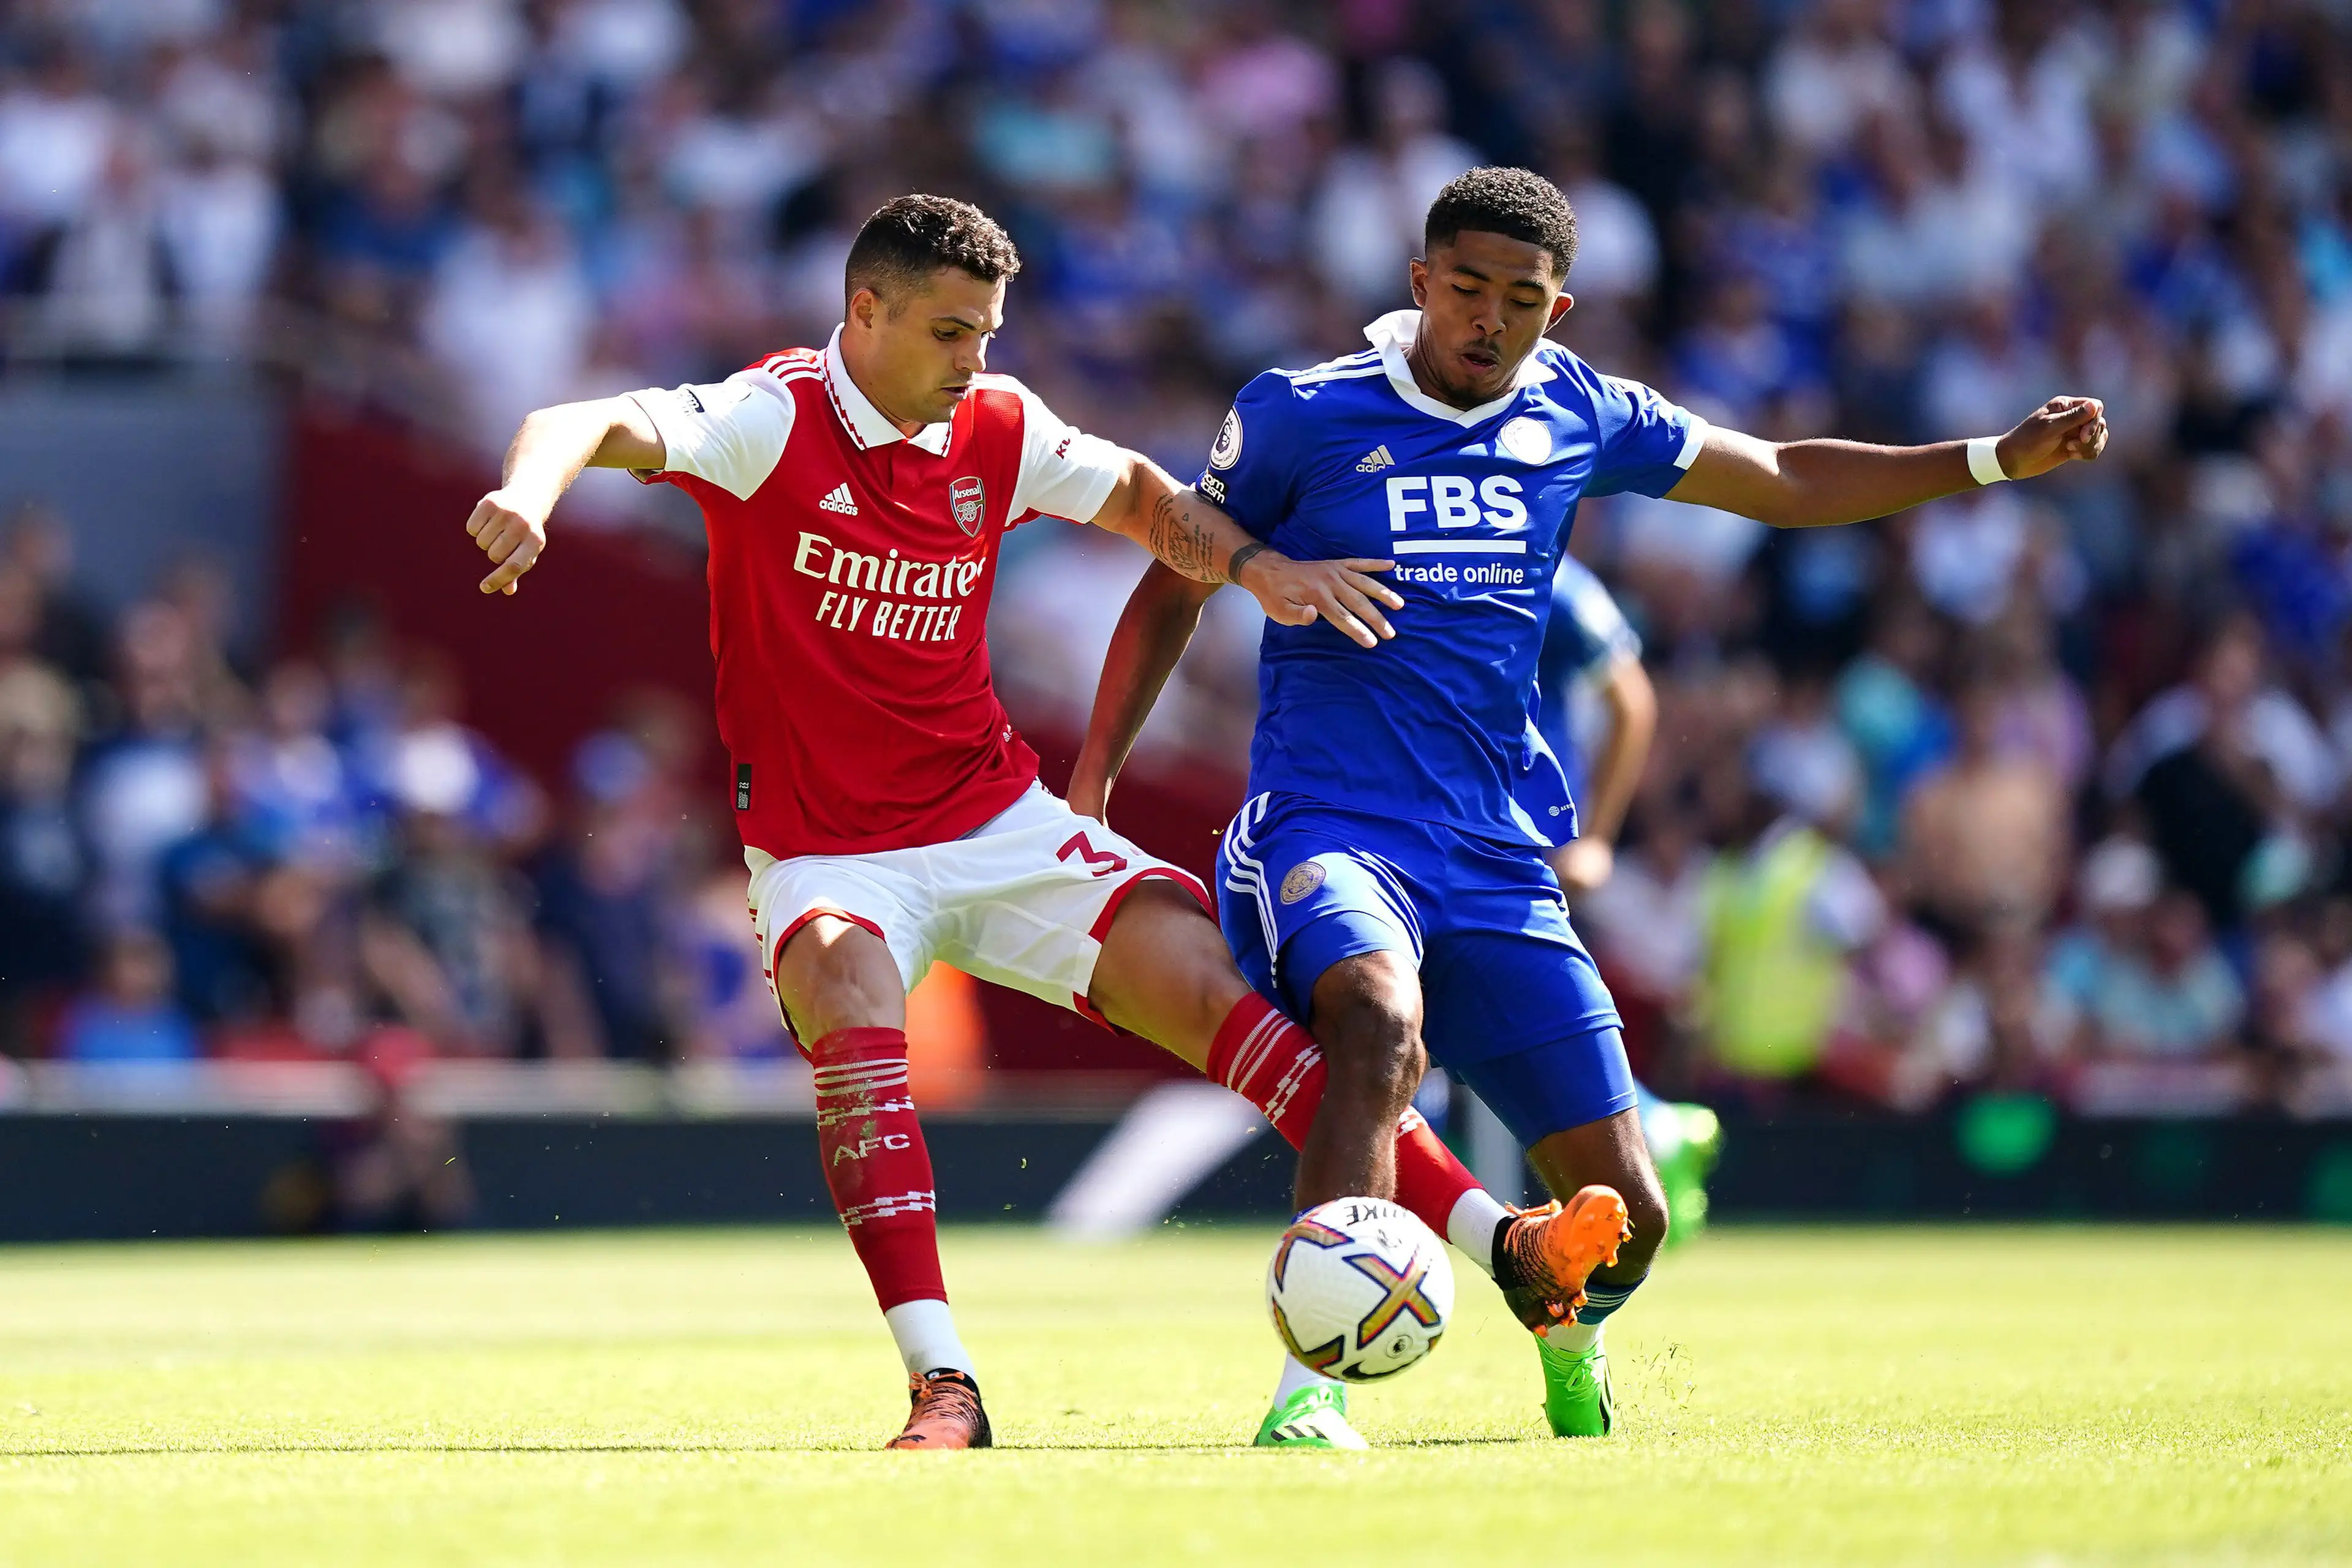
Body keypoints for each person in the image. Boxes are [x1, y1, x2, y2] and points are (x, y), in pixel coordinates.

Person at [459, 195, 1616, 1452]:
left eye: (990, 334)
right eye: (954, 333)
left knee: (1224, 995)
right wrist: (533, 492)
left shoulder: (999, 427)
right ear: (867, 311)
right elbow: (580, 420)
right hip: (829, 845)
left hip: (997, 812)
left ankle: (1511, 1247)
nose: (978, 362)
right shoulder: (768, 417)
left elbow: (1142, 497)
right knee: (850, 1002)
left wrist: (1252, 568)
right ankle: (943, 1384)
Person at [1072, 166, 2108, 1439]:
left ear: (1558, 312)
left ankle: (1565, 1321)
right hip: (1328, 821)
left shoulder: (1576, 409)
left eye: (1522, 298)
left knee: (1630, 1218)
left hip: (1494, 851)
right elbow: (1178, 568)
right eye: (1466, 288)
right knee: (1376, 1019)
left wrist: (1995, 458)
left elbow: (1780, 473)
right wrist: (1095, 776)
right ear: (1420, 283)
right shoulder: (1299, 413)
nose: (1488, 319)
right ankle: (1311, 1394)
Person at [1533, 556, 1719, 1247]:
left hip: (1525, 841)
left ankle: (1645, 1133)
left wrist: (1598, 839)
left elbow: (1630, 698)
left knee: (1517, 1023)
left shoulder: (1555, 577)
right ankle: (1653, 1125)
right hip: (1444, 832)